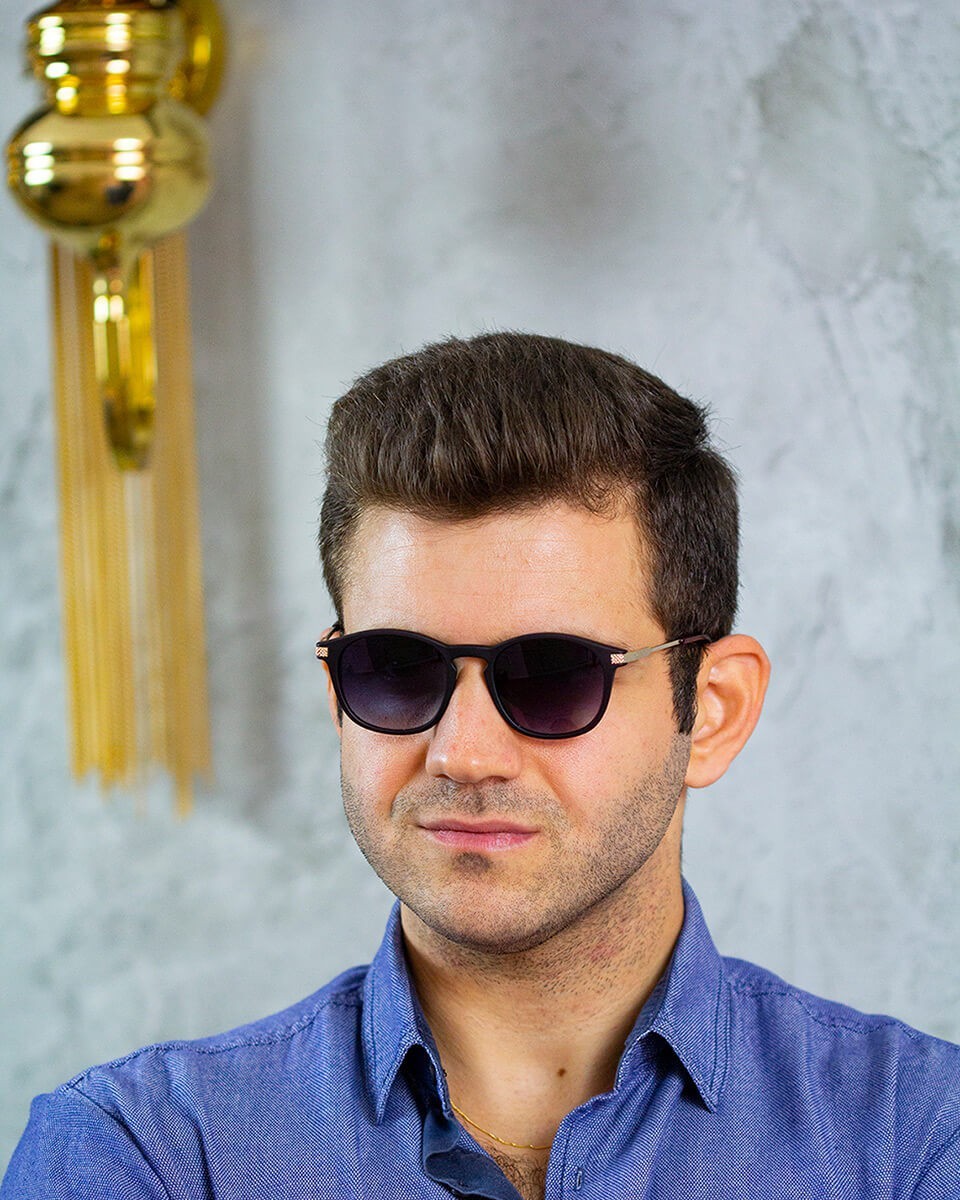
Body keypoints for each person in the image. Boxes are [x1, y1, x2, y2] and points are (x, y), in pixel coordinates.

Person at [3, 333, 958, 1200]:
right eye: (395, 669)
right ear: (337, 690)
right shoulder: (147, 1157)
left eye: (553, 676)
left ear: (711, 710)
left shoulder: (917, 1143)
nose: (462, 753)